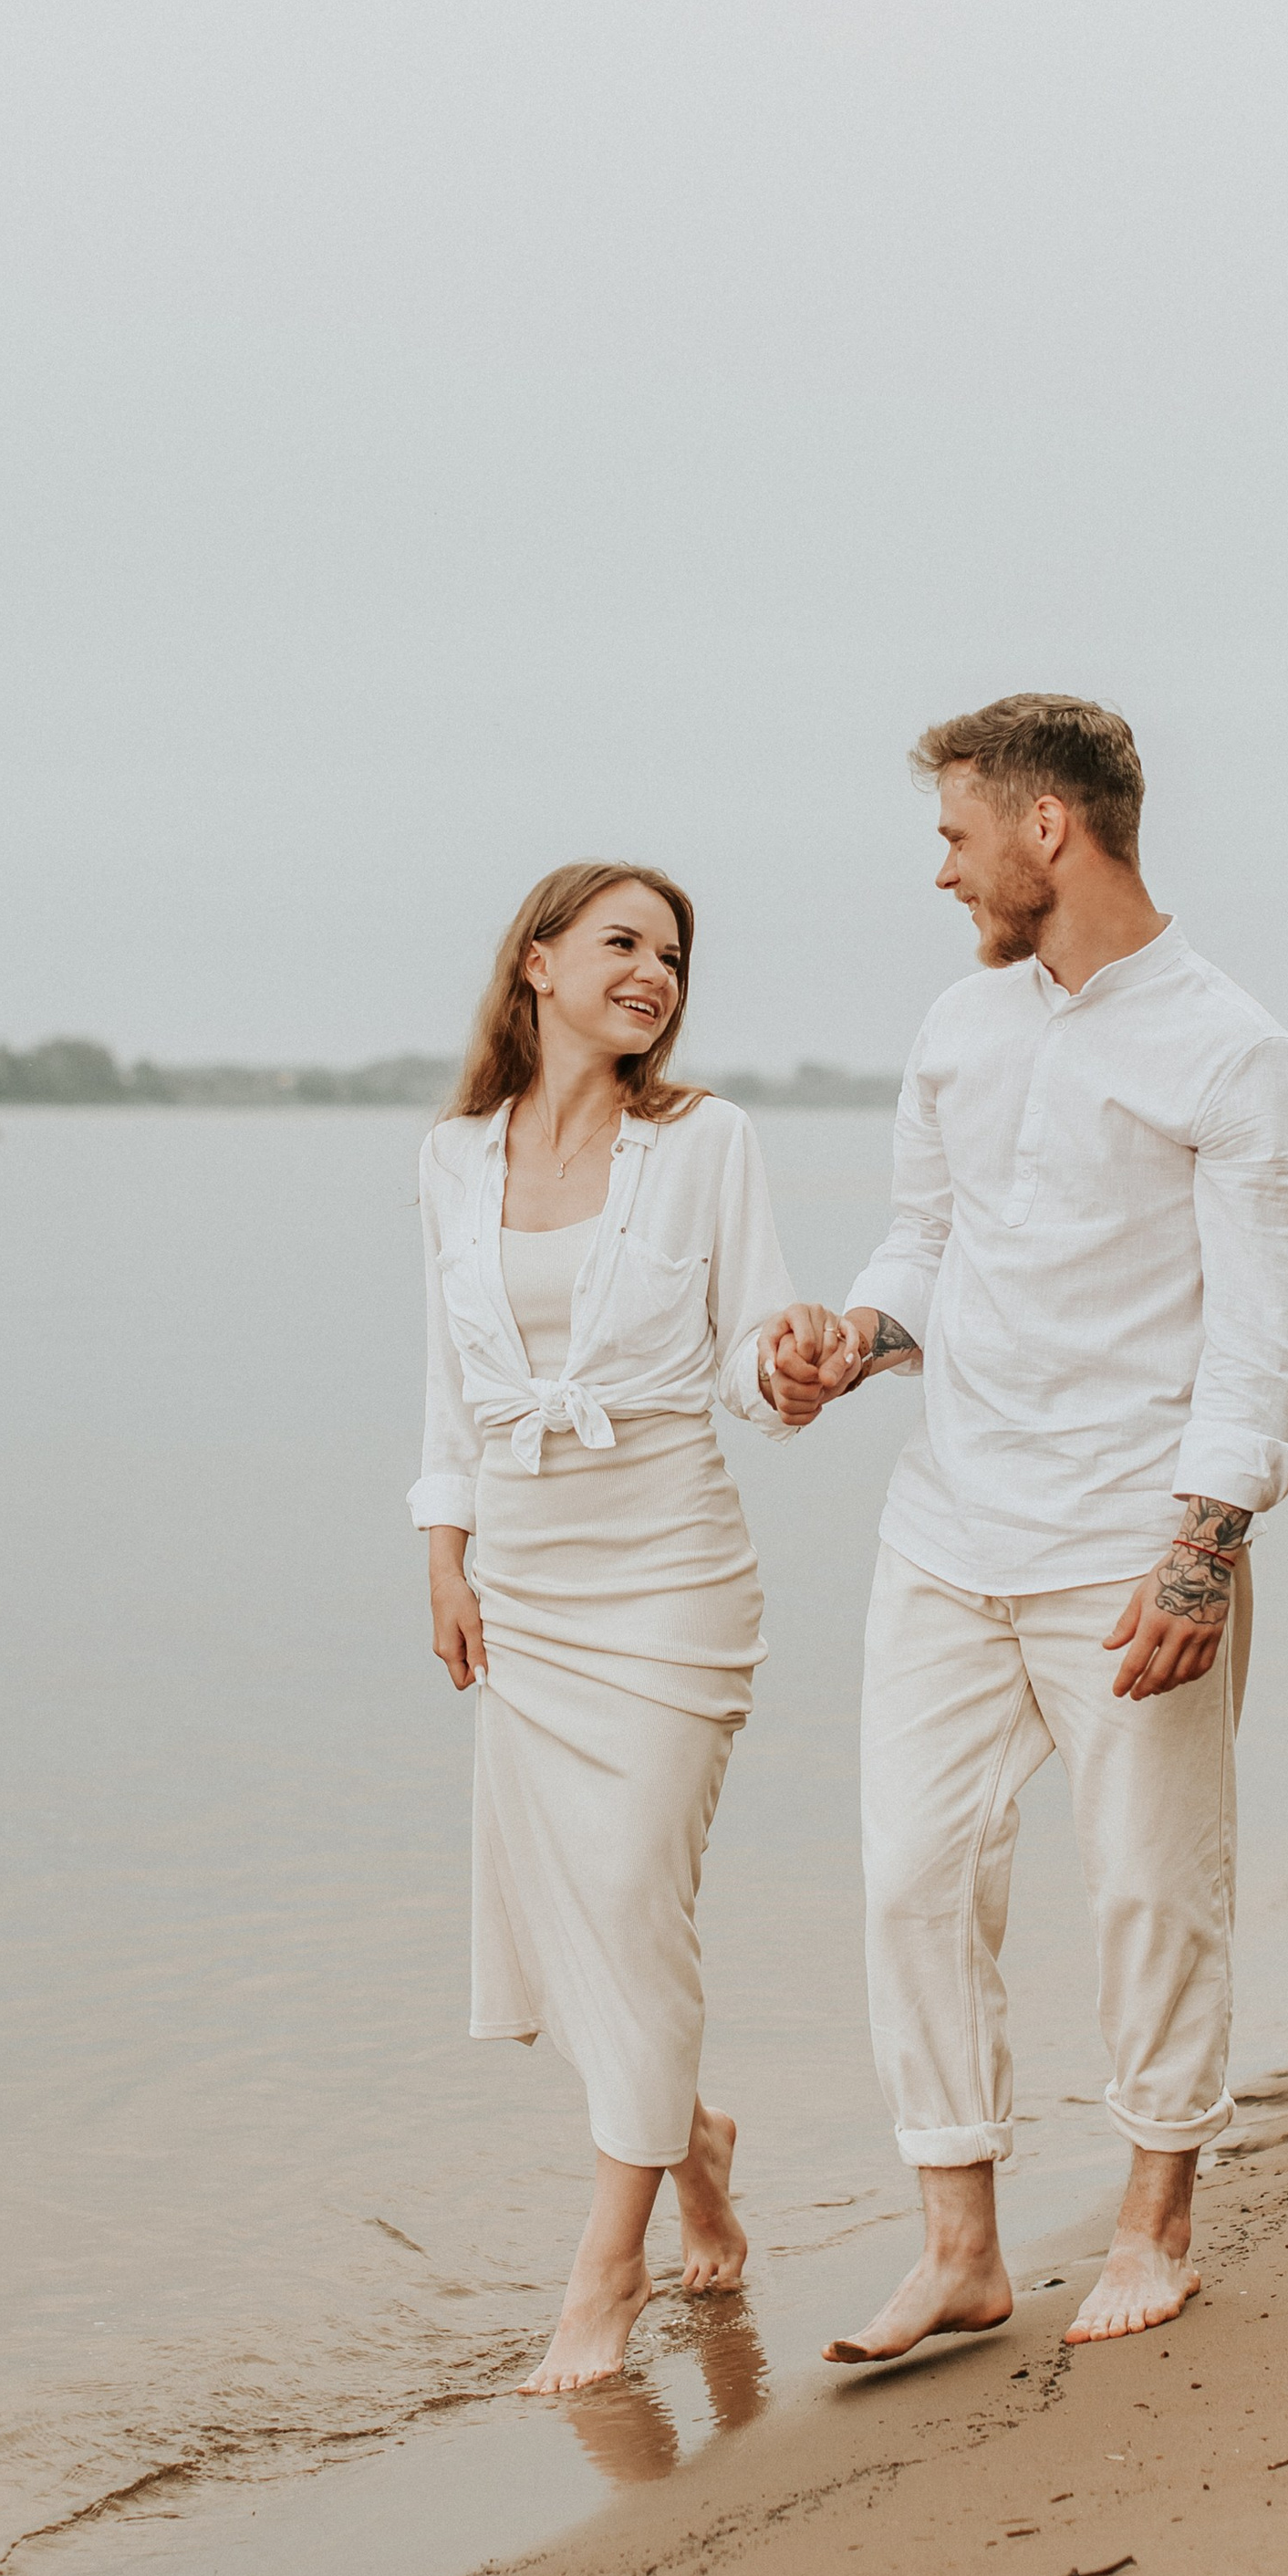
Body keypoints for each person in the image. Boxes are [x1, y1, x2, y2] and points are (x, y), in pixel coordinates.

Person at [767, 694, 1288, 2358]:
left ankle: (1153, 2223)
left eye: (957, 835)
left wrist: (1204, 1549)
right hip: (947, 1531)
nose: (940, 870)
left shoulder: (1243, 1061)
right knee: (912, 1881)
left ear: (1049, 829)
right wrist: (853, 1344)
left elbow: (1262, 1337)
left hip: (1127, 1547)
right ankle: (960, 2246)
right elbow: (924, 1243)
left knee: (1151, 1891)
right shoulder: (962, 1025)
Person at [412, 859, 814, 2393]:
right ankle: (695, 2145)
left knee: (637, 1897)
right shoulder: (453, 1160)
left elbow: (749, 1348)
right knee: (586, 1914)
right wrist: (443, 1556)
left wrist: (791, 1367)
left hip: (670, 1579)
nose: (654, 972)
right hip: (522, 1583)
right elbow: (448, 1381)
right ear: (537, 961)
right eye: (623, 944)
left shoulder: (706, 1142)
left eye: (674, 954)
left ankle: (605, 2267)